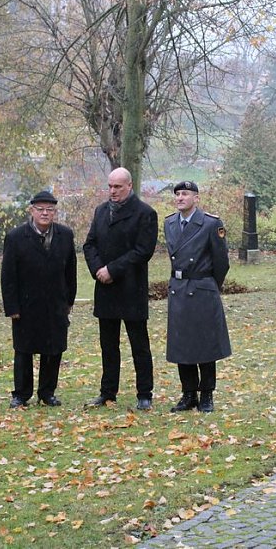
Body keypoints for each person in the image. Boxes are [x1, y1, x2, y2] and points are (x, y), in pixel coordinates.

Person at [82, 167, 158, 411]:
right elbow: (89, 244)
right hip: (105, 289)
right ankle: (107, 392)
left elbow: (143, 251)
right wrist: (98, 270)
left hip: (130, 288)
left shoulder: (145, 213)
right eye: (110, 186)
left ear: (129, 186)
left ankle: (144, 393)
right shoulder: (101, 211)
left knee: (139, 345)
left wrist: (112, 270)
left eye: (117, 187)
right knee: (108, 345)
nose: (112, 191)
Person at [1, 190, 77, 409]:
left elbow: (70, 270)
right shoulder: (16, 237)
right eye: (40, 209)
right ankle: (21, 394)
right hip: (26, 304)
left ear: (55, 212)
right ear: (31, 211)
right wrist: (12, 306)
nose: (45, 213)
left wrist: (69, 300)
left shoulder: (65, 235)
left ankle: (47, 392)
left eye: (50, 209)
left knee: (53, 349)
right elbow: (8, 275)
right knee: (24, 349)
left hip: (55, 302)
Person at [163, 181, 231, 413]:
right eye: (178, 194)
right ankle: (188, 393)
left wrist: (209, 285)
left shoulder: (211, 224)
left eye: (185, 194)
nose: (180, 198)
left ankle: (206, 394)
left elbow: (222, 262)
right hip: (179, 288)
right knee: (182, 344)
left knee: (205, 345)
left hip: (201, 288)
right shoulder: (169, 223)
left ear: (196, 198)